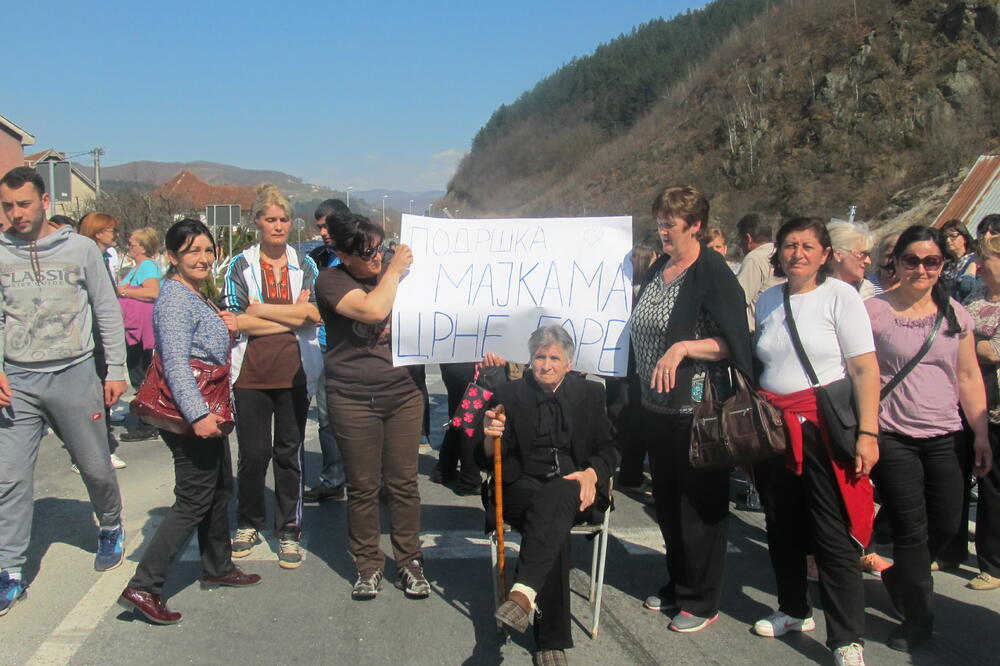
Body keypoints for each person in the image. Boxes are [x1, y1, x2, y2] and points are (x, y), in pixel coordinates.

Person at [751, 217, 880, 665]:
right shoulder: (768, 299)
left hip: (822, 428)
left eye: (807, 246)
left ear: (826, 254)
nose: (797, 253)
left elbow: (864, 370)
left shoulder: (840, 297)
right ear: (778, 253)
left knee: (832, 533)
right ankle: (792, 608)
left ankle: (847, 637)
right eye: (789, 245)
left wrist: (868, 432)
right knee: (780, 523)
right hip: (774, 427)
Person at [118, 219, 261, 624]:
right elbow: (176, 364)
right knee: (194, 499)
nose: (202, 257)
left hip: (208, 406)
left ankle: (217, 566)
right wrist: (197, 415)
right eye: (191, 251)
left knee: (218, 488)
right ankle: (146, 586)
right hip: (191, 412)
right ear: (172, 257)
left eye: (207, 249)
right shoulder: (176, 299)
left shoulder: (194, 294)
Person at [0, 167, 128, 617]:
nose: (15, 213)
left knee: (94, 467)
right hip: (18, 383)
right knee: (10, 477)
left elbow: (107, 308)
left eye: (23, 204)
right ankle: (10, 569)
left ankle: (110, 524)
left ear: (44, 204)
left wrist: (115, 369)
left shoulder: (80, 250)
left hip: (74, 374)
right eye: (7, 205)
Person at [630, 186, 753, 632]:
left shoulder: (711, 271)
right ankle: (679, 583)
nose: (663, 228)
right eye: (660, 219)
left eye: (671, 221)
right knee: (666, 503)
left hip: (696, 412)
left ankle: (701, 601)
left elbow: (734, 339)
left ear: (695, 224)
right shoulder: (661, 266)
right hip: (654, 408)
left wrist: (683, 347)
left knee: (698, 507)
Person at [864, 224, 991, 651]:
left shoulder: (957, 315)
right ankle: (918, 617)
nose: (921, 269)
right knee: (912, 530)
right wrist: (866, 431)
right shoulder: (874, 312)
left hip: (946, 434)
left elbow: (969, 376)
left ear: (943, 265)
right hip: (893, 435)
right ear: (896, 263)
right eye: (911, 260)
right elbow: (859, 375)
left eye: (931, 261)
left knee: (947, 523)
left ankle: (899, 575)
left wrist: (981, 435)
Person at [484, 326, 619, 665]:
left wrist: (591, 473)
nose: (546, 364)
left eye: (554, 357)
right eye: (539, 357)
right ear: (530, 361)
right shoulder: (508, 393)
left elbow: (610, 449)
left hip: (578, 489)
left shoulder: (589, 394)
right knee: (550, 516)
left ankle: (522, 594)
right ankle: (550, 642)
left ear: (569, 363)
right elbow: (484, 456)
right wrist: (490, 436)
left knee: (557, 499)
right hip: (521, 486)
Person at [314, 213, 428, 600]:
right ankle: (368, 564)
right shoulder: (330, 280)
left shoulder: (399, 270)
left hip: (403, 394)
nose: (378, 258)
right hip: (352, 397)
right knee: (363, 486)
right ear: (342, 255)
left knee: (403, 483)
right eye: (367, 252)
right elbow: (372, 310)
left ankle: (410, 561)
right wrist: (394, 272)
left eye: (380, 247)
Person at [221, 184, 323, 569]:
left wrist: (259, 309)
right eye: (270, 220)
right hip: (250, 373)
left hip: (295, 372)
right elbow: (235, 322)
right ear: (257, 223)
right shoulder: (240, 265)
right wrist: (288, 316)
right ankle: (247, 521)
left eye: (283, 219)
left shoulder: (306, 265)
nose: (278, 226)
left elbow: (313, 316)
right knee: (253, 453)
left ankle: (289, 528)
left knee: (289, 453)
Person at [958, 234, 1000, 592]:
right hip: (964, 399)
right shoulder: (976, 295)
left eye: (987, 260)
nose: (979, 266)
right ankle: (949, 547)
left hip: (996, 406)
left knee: (993, 487)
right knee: (956, 478)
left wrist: (968, 343)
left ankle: (993, 562)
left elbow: (994, 351)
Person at [302, 199, 349, 503]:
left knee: (369, 418)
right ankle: (334, 478)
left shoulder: (364, 257)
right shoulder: (314, 259)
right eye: (318, 225)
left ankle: (379, 478)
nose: (322, 231)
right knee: (327, 418)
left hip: (356, 351)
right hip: (323, 348)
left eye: (327, 224)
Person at [80, 212, 129, 468]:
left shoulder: (103, 258)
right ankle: (92, 454)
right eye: (111, 230)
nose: (116, 234)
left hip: (102, 336)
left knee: (103, 396)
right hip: (91, 337)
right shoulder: (88, 259)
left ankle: (100, 448)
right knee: (95, 398)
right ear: (98, 232)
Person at [117, 226, 163, 442]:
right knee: (141, 372)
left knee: (140, 375)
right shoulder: (140, 266)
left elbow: (153, 292)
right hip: (135, 329)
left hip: (141, 331)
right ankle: (144, 415)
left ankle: (147, 423)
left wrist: (123, 291)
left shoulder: (146, 266)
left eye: (133, 243)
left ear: (143, 247)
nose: (129, 245)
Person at [735, 212, 784, 331]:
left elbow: (737, 299)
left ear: (748, 238)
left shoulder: (755, 259)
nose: (740, 245)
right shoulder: (780, 254)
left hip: (754, 333)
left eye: (740, 240)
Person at [827, 220, 875, 299]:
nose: (868, 261)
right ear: (838, 255)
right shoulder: (810, 289)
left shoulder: (866, 291)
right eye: (862, 254)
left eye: (869, 255)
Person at [941, 219, 977, 301]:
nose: (948, 240)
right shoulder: (945, 268)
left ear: (965, 238)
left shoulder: (976, 260)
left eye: (953, 236)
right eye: (944, 237)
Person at [867, 231, 901, 296]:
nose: (893, 262)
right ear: (879, 255)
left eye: (898, 257)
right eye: (890, 256)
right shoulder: (865, 285)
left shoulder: (911, 287)